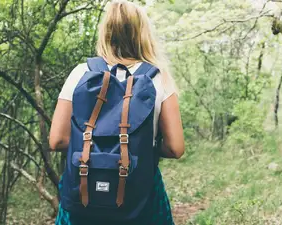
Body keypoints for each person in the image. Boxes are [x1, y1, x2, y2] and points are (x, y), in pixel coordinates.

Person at [49, 1, 185, 224]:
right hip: (139, 195)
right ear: (142, 33)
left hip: (84, 192)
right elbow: (175, 147)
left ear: (105, 31)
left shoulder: (80, 73)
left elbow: (57, 140)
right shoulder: (158, 78)